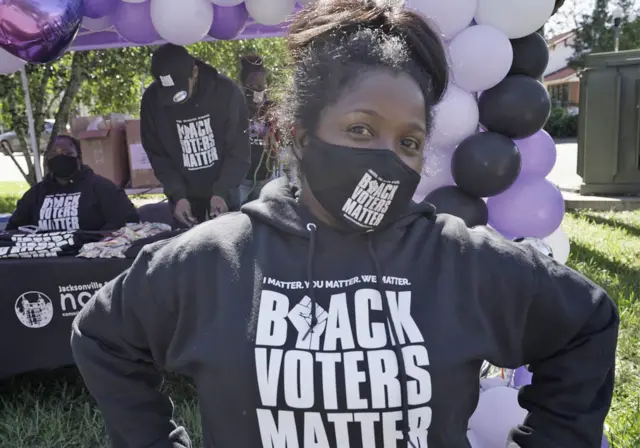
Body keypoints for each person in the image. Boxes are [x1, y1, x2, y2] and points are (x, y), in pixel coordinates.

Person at [71, 1, 618, 447]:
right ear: (300, 134)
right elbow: (102, 336)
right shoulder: (217, 260)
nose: (387, 157)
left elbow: (586, 323)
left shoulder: (459, 260)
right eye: (360, 130)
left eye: (408, 142)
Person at [140, 44, 251, 228]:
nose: (175, 99)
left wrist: (222, 191)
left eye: (180, 90)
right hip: (184, 202)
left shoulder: (226, 93)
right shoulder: (152, 101)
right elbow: (157, 154)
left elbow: (238, 150)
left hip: (225, 196)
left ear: (195, 72)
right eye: (168, 94)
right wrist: (178, 196)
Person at [7, 134, 139, 232]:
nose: (61, 157)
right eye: (54, 154)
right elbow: (13, 229)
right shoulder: (35, 194)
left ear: (79, 158)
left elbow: (126, 222)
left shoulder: (102, 188)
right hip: (43, 262)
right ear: (47, 159)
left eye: (68, 153)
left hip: (89, 261)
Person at [238, 54, 280, 204]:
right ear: (244, 85)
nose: (259, 90)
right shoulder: (237, 106)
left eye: (262, 86)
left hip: (265, 178)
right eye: (254, 86)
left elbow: (278, 142)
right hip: (241, 180)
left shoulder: (271, 108)